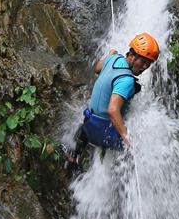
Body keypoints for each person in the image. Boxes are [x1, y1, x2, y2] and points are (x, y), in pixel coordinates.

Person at [63, 32, 160, 167]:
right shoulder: (127, 81)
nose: (144, 67)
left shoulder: (113, 58)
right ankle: (124, 175)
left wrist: (109, 56)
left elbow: (96, 68)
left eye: (148, 64)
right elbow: (113, 110)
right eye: (143, 61)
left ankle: (73, 155)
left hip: (88, 125)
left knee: (83, 129)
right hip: (106, 133)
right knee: (140, 147)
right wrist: (128, 139)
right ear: (132, 55)